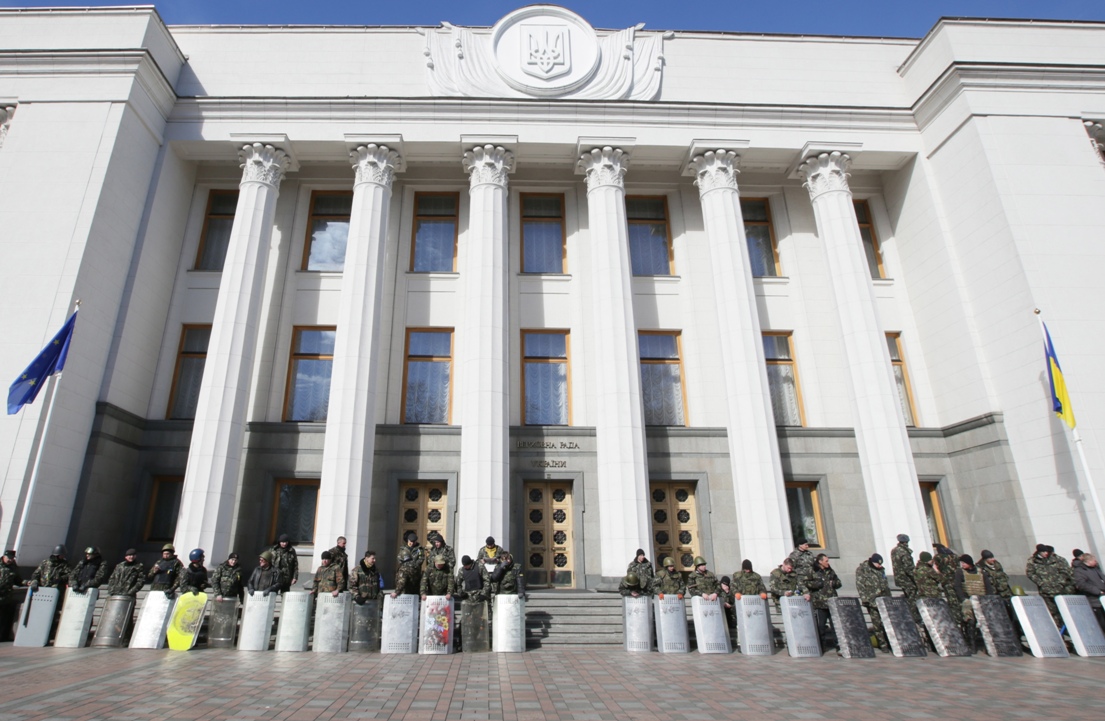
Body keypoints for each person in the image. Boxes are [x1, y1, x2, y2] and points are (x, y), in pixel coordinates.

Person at [1026, 543, 1075, 627]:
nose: (1046, 553)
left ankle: (1069, 628)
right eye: (1044, 551)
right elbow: (1030, 573)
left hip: (1060, 589)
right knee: (1052, 612)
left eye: (1046, 551)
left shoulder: (1056, 559)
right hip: (1046, 591)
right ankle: (1058, 630)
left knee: (1065, 610)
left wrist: (1060, 582)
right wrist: (1041, 583)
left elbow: (1065, 571)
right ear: (1039, 552)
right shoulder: (1032, 561)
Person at [953, 553, 993, 652]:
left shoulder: (980, 572)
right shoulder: (960, 572)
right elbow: (957, 586)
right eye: (961, 563)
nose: (962, 565)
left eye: (964, 563)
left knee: (986, 622)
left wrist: (989, 598)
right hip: (969, 601)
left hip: (981, 600)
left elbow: (988, 586)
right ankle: (972, 645)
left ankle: (988, 645)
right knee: (970, 622)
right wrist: (963, 599)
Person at [803, 553, 841, 650]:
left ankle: (839, 645)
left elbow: (839, 582)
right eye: (826, 561)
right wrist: (817, 584)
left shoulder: (830, 571)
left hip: (832, 602)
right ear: (820, 561)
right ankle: (821, 645)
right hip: (820, 603)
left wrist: (834, 583)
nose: (828, 562)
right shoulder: (812, 571)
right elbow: (805, 583)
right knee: (821, 626)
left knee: (836, 625)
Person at [855, 553, 892, 653]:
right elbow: (860, 585)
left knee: (887, 622)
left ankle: (890, 642)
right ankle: (882, 644)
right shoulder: (863, 569)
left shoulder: (881, 570)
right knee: (877, 624)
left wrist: (889, 598)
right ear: (872, 562)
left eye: (880, 564)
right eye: (877, 564)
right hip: (872, 600)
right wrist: (865, 599)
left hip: (883, 599)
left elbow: (885, 585)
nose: (879, 566)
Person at [1073, 552, 1105, 633]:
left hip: (1103, 598)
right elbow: (1082, 584)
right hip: (1094, 600)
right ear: (1088, 561)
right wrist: (1097, 591)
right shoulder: (1079, 571)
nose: (1096, 562)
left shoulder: (1096, 568)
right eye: (1094, 560)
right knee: (1101, 623)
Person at [0, 550, 23, 642]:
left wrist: (27, 582)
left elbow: (18, 580)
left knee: (3, 618)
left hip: (6, 597)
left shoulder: (13, 567)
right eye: (9, 558)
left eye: (12, 558)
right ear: (4, 557)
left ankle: (2, 637)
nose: (10, 560)